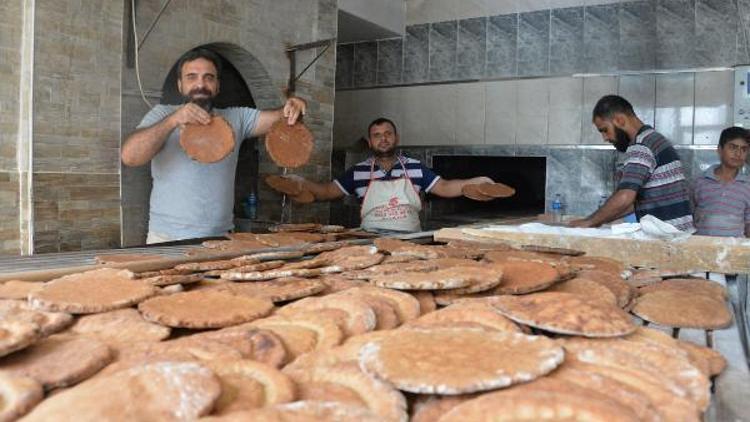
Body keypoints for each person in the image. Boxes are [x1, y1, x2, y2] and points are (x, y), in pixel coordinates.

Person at [122, 47, 306, 243]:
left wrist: (295, 105)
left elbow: (283, 118)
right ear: (180, 85)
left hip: (221, 237)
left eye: (208, 77)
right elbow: (130, 157)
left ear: (217, 85)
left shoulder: (237, 117)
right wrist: (173, 120)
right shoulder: (162, 114)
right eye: (191, 77)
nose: (200, 84)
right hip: (166, 237)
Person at [278, 117, 494, 233]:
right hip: (369, 240)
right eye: (377, 135)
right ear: (370, 141)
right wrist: (302, 182)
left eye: (388, 134)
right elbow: (326, 192)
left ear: (396, 138)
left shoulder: (415, 168)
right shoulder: (358, 171)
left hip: (409, 239)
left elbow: (445, 187)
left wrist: (474, 183)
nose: (383, 139)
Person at [569, 95, 694, 232]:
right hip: (678, 237)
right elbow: (631, 204)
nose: (605, 138)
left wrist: (589, 222)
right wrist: (598, 221)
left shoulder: (642, 146)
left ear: (620, 120)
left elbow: (625, 198)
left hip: (668, 241)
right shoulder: (654, 139)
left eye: (604, 130)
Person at [692, 126, 750, 238]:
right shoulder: (699, 182)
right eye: (733, 147)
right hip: (701, 249)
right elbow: (688, 219)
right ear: (719, 150)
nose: (738, 154)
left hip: (734, 252)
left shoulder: (748, 186)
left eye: (743, 149)